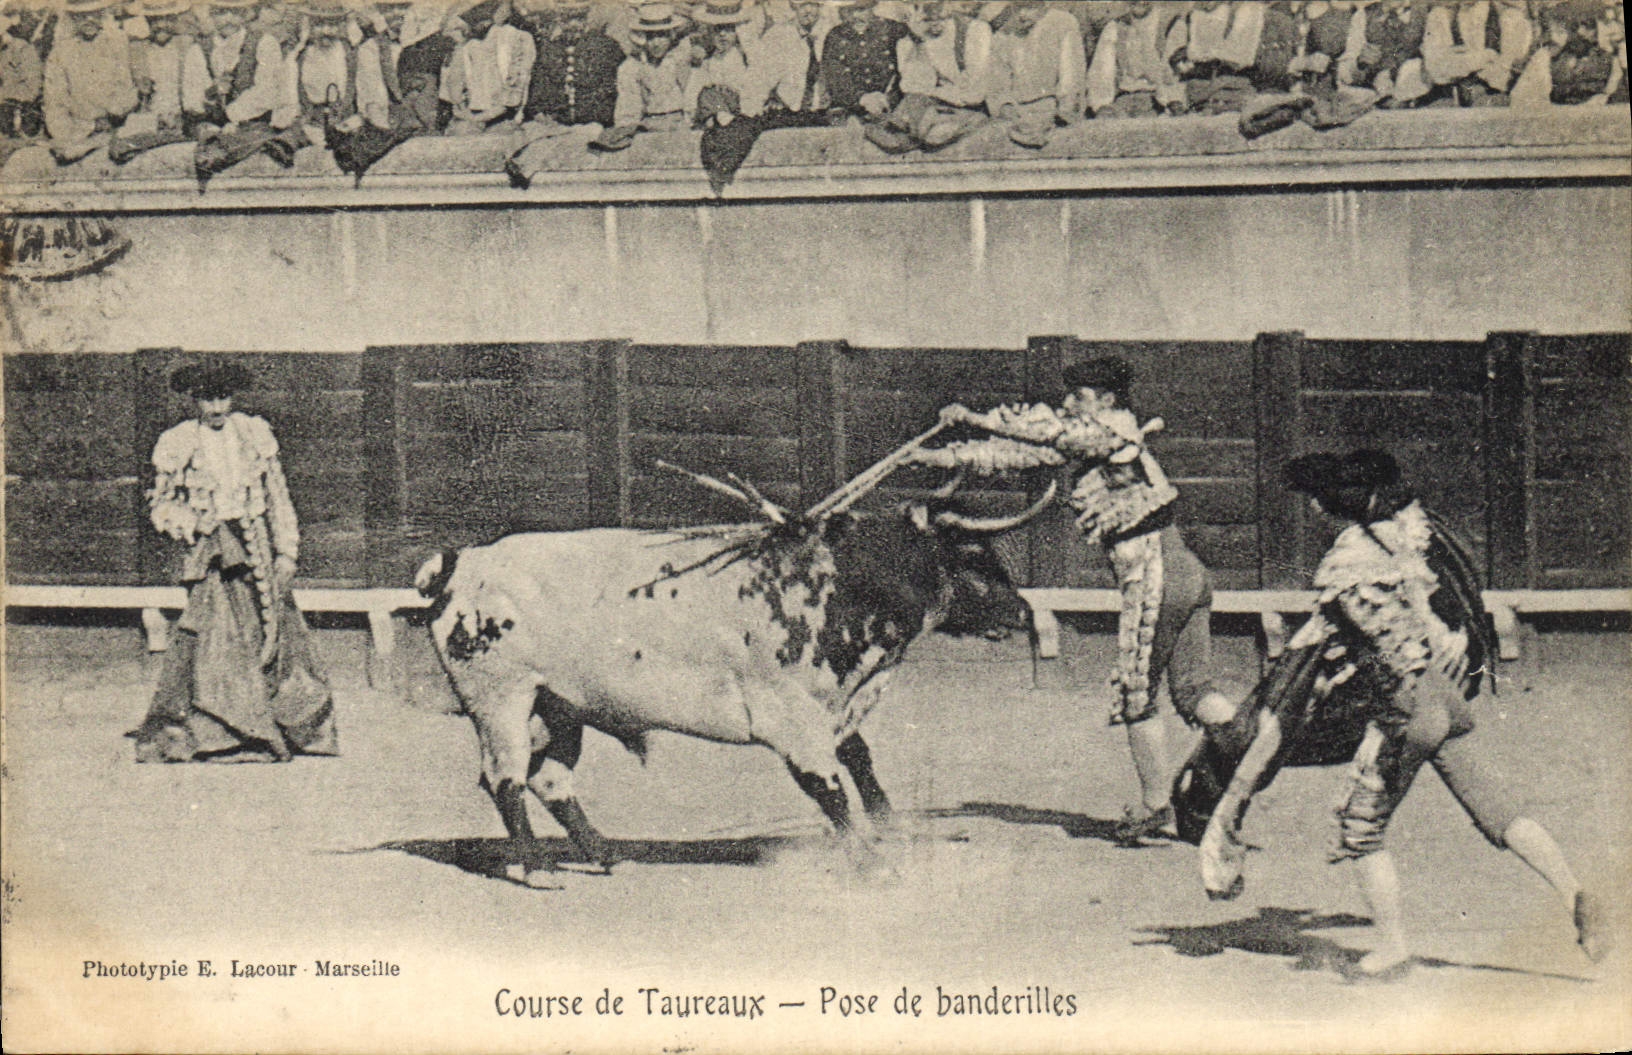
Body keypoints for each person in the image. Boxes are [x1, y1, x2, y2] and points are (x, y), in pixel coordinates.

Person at [1195, 450, 1609, 977]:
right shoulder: (1404, 537)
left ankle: (1391, 950)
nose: (1318, 512)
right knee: (1493, 807)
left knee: (1361, 830)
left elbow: (1331, 663)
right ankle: (1576, 894)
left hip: (1405, 711)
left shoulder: (1347, 568)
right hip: (1444, 694)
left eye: (1321, 504)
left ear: (1333, 509)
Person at [936, 357, 1233, 844]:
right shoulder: (1106, 438)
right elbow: (1024, 454)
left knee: (1137, 695)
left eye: (1080, 395)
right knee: (1194, 689)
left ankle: (1157, 806)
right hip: (1184, 569)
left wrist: (974, 416)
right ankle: (1244, 750)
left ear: (1109, 401)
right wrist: (942, 458)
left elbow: (1061, 438)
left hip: (1154, 571)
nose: (1069, 403)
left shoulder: (1114, 431)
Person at [128, 362, 336, 765]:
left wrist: (287, 550)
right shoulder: (181, 440)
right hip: (212, 552)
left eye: (223, 397)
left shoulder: (253, 433)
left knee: (274, 632)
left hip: (255, 543)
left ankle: (278, 725)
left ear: (233, 398)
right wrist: (193, 524)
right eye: (208, 398)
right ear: (195, 400)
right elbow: (161, 504)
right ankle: (223, 731)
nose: (217, 406)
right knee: (214, 635)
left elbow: (278, 496)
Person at [41, 0, 138, 163]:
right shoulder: (61, 52)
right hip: (77, 134)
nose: (89, 21)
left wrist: (113, 115)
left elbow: (127, 90)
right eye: (81, 16)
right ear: (73, 18)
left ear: (102, 15)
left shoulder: (117, 44)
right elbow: (54, 102)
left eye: (93, 15)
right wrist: (68, 134)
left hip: (116, 129)